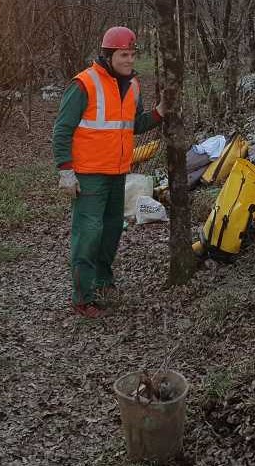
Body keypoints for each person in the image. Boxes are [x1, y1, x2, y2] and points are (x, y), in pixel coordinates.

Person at [52, 26, 164, 318]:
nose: (129, 60)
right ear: (108, 55)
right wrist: (66, 171)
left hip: (118, 173)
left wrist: (159, 113)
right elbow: (61, 130)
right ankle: (82, 297)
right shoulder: (84, 84)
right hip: (89, 175)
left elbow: (134, 125)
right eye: (123, 55)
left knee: (112, 229)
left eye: (132, 54)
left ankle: (103, 279)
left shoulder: (134, 85)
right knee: (88, 233)